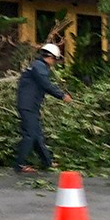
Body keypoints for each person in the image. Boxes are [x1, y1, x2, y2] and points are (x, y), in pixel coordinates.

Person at [14, 43, 71, 173]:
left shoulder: (36, 65)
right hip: (28, 106)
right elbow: (46, 84)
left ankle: (47, 162)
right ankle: (19, 165)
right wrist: (62, 96)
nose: (54, 63)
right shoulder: (39, 67)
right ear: (50, 57)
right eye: (55, 60)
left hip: (30, 105)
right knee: (30, 135)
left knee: (37, 135)